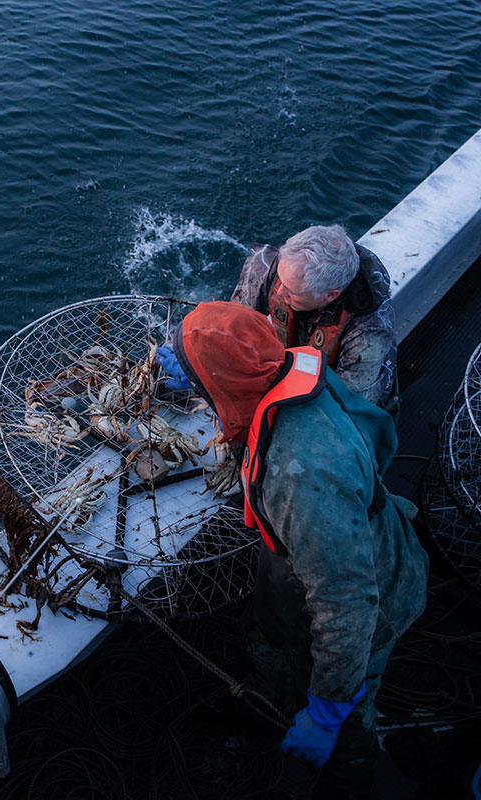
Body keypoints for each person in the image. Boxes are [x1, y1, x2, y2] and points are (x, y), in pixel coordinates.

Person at [161, 301, 428, 799]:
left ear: (226, 384)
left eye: (201, 383)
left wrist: (325, 714)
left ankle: (342, 775)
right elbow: (379, 430)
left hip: (369, 598)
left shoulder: (297, 476)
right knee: (268, 639)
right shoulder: (294, 369)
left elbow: (348, 609)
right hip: (333, 544)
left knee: (349, 723)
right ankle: (270, 700)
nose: (198, 395)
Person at [230, 224, 397, 409]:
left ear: (330, 295)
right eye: (280, 279)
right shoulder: (269, 265)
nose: (279, 291)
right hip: (288, 364)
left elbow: (350, 406)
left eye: (292, 292)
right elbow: (233, 330)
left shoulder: (369, 332)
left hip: (337, 396)